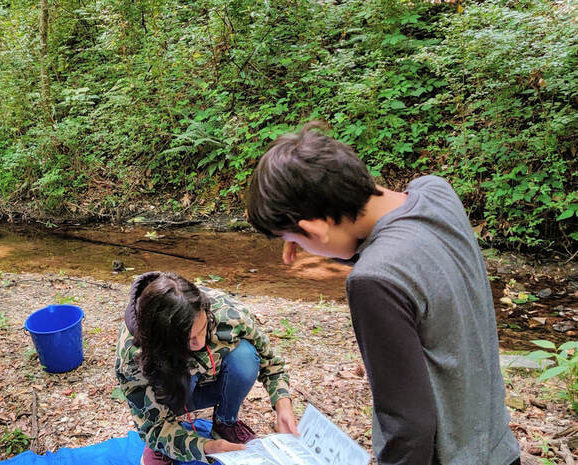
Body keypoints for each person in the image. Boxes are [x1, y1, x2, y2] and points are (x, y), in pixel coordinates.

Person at [245, 122, 521, 465]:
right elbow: (404, 250)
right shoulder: (435, 192)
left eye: (295, 241)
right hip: (497, 446)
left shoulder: (373, 282)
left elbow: (408, 426)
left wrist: (327, 245)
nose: (297, 249)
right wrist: (321, 242)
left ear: (315, 228)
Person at [115, 272, 298, 465]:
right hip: (169, 392)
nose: (200, 342)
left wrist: (283, 406)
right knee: (162, 423)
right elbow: (151, 426)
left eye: (203, 329)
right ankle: (164, 445)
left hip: (210, 379)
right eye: (188, 339)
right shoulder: (133, 355)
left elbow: (271, 362)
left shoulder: (228, 312)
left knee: (246, 355)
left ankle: (225, 423)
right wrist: (205, 447)